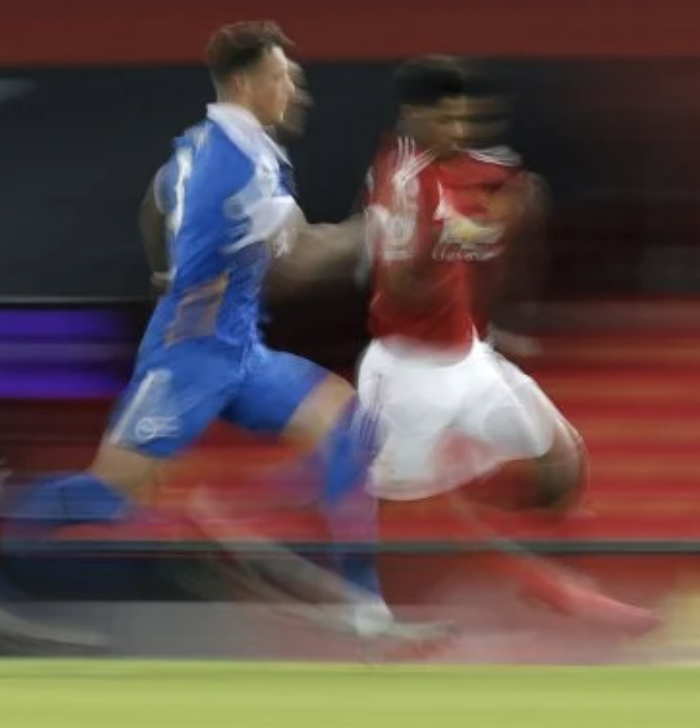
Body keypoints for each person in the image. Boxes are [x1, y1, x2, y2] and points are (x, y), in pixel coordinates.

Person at [0, 21, 437, 645]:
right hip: (189, 357)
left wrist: (167, 271)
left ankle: (365, 612)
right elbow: (298, 261)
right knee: (109, 494)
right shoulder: (243, 163)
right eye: (283, 77)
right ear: (244, 84)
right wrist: (371, 233)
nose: (296, 91)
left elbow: (155, 201)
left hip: (239, 350)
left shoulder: (204, 146)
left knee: (351, 428)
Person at [357, 55, 659, 633]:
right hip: (407, 369)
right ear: (413, 115)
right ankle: (552, 591)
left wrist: (505, 284)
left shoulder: (470, 170)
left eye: (463, 118)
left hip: (467, 353)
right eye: (445, 119)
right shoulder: (399, 181)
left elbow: (517, 206)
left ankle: (500, 540)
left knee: (562, 463)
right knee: (430, 516)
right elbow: (401, 285)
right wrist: (464, 237)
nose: (458, 130)